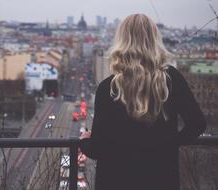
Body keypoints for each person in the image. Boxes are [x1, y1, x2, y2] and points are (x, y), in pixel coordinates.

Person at [79, 14, 206, 190]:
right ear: (155, 40)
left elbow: (98, 149)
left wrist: (85, 140)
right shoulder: (171, 80)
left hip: (116, 180)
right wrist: (170, 143)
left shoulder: (108, 88)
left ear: (121, 42)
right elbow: (198, 124)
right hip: (161, 179)